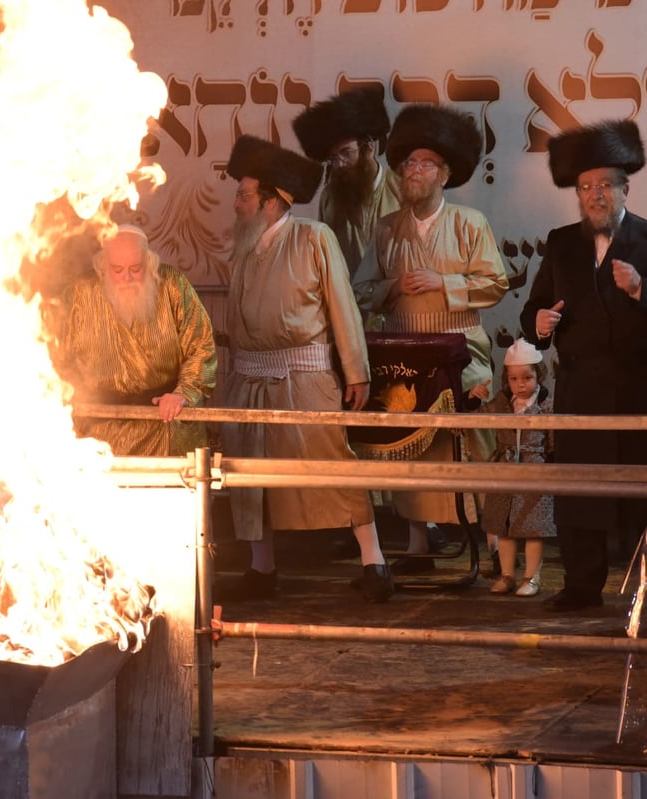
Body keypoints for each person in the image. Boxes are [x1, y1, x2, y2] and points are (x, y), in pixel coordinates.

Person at [220, 134, 393, 602]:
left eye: (244, 194)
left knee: (333, 465)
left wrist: (356, 371)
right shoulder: (243, 247)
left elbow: (342, 305)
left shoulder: (314, 237)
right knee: (249, 475)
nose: (236, 202)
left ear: (274, 201)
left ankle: (374, 563)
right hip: (249, 380)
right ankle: (262, 569)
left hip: (305, 376)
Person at [353, 104, 509, 570]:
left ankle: (498, 546)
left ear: (444, 174)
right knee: (410, 446)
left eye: (424, 165)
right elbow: (360, 289)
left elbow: (496, 284)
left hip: (461, 354)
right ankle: (419, 544)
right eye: (407, 165)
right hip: (403, 358)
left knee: (472, 443)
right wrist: (393, 287)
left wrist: (445, 283)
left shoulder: (469, 224)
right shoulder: (385, 229)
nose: (413, 172)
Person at [520, 118, 647, 612]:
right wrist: (542, 324)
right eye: (586, 187)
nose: (595, 196)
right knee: (580, 493)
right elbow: (532, 312)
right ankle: (580, 587)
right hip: (580, 390)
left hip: (637, 390)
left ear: (624, 189)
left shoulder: (646, 239)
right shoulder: (561, 242)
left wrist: (639, 288)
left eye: (604, 186)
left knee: (638, 496)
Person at [55, 225, 217, 456]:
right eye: (117, 269)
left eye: (136, 268)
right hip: (99, 431)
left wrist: (183, 393)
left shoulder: (173, 284)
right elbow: (56, 356)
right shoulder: (80, 294)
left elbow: (201, 346)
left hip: (164, 425)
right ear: (102, 266)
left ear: (150, 263)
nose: (127, 277)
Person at [292, 85, 402, 281]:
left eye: (346, 153)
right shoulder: (329, 196)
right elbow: (324, 257)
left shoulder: (402, 191)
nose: (339, 164)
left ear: (368, 148)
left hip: (394, 305)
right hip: (348, 306)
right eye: (333, 158)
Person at [472, 338, 554, 597]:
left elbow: (552, 440)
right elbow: (480, 417)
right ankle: (507, 574)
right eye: (514, 379)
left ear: (538, 377)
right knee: (503, 526)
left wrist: (551, 465)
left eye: (527, 378)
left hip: (534, 469)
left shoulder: (546, 408)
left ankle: (531, 577)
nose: (520, 385)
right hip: (504, 467)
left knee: (532, 527)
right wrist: (475, 399)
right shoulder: (501, 404)